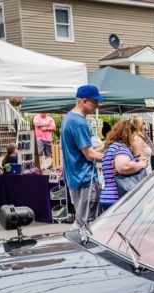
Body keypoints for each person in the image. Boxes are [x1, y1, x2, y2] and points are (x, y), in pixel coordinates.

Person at [61, 85, 105, 229]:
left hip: (75, 177)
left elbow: (83, 150)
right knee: (86, 222)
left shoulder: (69, 118)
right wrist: (111, 158)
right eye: (95, 101)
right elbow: (89, 155)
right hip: (85, 178)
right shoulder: (79, 122)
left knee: (82, 220)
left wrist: (104, 147)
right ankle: (76, 248)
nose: (97, 105)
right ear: (84, 101)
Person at [100, 119, 149, 211]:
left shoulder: (111, 148)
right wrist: (141, 164)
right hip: (118, 197)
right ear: (128, 135)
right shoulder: (121, 148)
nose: (134, 139)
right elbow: (124, 166)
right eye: (133, 136)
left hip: (107, 196)